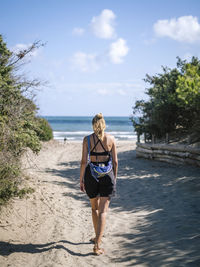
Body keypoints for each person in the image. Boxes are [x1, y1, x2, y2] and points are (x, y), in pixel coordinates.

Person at [80, 113, 118, 255]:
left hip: (91, 175)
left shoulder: (87, 139)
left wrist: (81, 179)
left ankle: (97, 237)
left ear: (93, 124)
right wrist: (115, 177)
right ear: (104, 124)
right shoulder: (111, 139)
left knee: (94, 209)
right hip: (107, 175)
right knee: (103, 211)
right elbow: (115, 162)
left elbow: (84, 161)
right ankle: (97, 244)